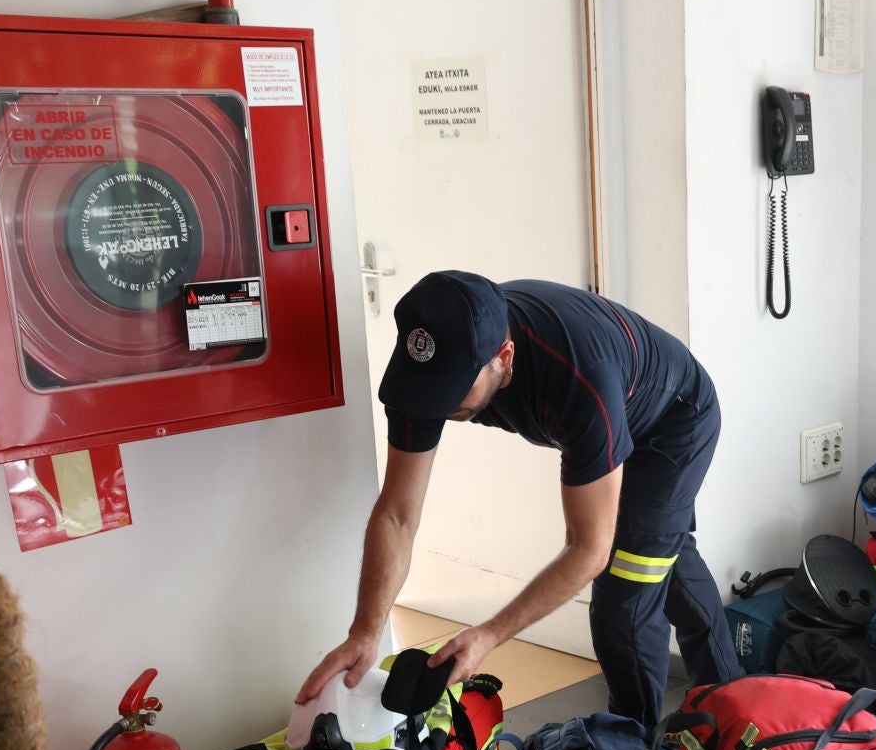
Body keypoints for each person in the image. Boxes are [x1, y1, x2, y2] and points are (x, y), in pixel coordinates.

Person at [297, 270, 743, 725]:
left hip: (673, 423)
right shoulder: (426, 375)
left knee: (623, 594)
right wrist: (365, 632)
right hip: (614, 412)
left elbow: (589, 548)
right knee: (660, 551)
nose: (440, 407)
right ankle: (739, 706)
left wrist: (490, 634)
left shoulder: (579, 376)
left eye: (456, 390)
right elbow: (396, 516)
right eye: (434, 390)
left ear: (504, 356)